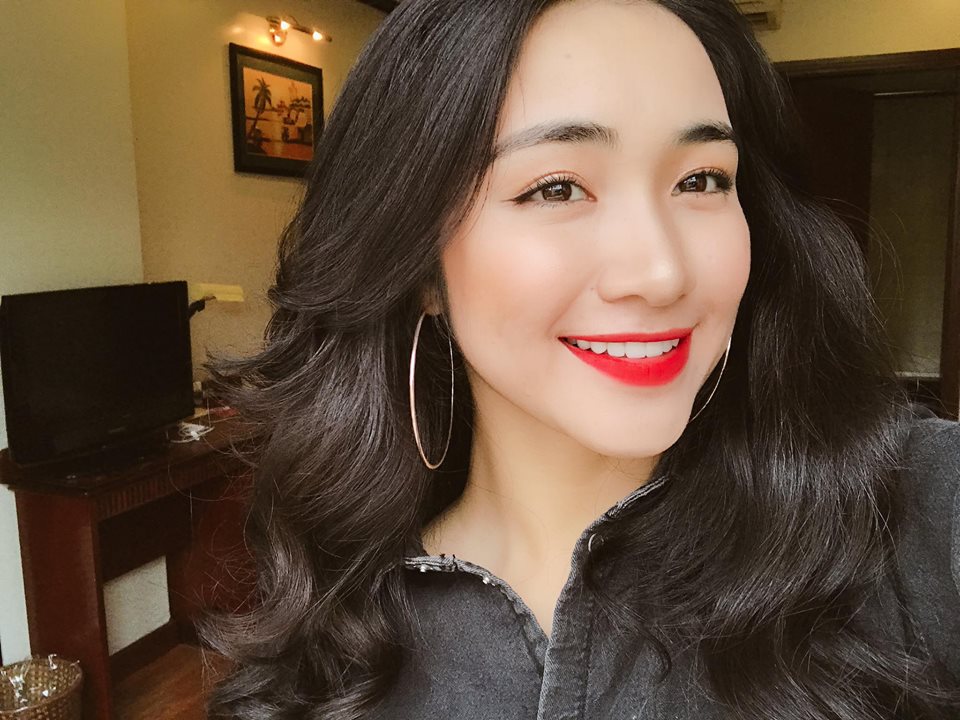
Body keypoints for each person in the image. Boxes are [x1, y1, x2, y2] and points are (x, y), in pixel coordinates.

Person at [201, 1, 960, 718]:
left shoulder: (907, 515)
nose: (661, 273)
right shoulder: (334, 633)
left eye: (701, 180)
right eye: (557, 188)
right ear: (419, 266)